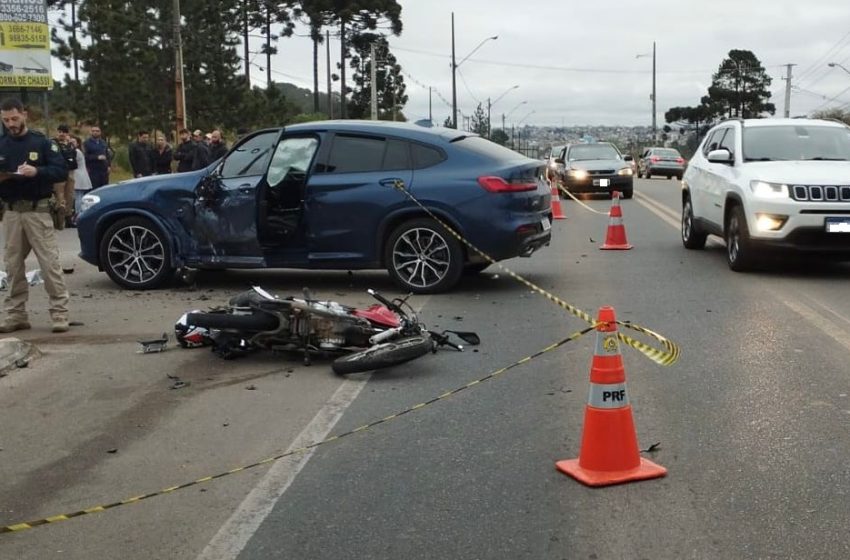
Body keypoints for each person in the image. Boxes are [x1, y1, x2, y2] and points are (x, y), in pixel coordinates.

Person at [0, 98, 71, 333]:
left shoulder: (41, 143)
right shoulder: (1, 144)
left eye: (14, 118)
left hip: (37, 211)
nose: (11, 124)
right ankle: (16, 314)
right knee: (13, 267)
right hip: (11, 213)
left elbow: (61, 170)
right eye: (6, 120)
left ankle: (59, 313)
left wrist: (37, 171)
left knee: (49, 265)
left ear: (24, 114)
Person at [54, 124, 77, 226]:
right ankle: (58, 218)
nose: (61, 134)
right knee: (59, 195)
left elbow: (74, 156)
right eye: (60, 132)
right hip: (59, 171)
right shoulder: (53, 143)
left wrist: (72, 146)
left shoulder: (70, 144)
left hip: (70, 171)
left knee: (70, 195)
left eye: (64, 132)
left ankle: (68, 218)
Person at [71, 135, 93, 222]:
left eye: (73, 142)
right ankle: (80, 213)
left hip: (78, 175)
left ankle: (78, 214)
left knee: (78, 197)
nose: (71, 144)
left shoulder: (75, 152)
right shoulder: (79, 151)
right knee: (79, 196)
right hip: (81, 174)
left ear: (77, 143)